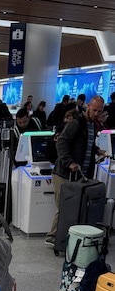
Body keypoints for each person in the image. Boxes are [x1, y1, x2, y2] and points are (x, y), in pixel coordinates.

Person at [45, 96, 106, 245]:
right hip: (64, 174)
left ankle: (68, 238)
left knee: (73, 208)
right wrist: (68, 162)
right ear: (88, 107)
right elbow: (62, 142)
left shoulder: (92, 126)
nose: (96, 113)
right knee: (64, 208)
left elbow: (85, 144)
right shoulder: (76, 122)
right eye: (94, 110)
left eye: (99, 111)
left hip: (79, 175)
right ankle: (53, 237)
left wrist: (97, 150)